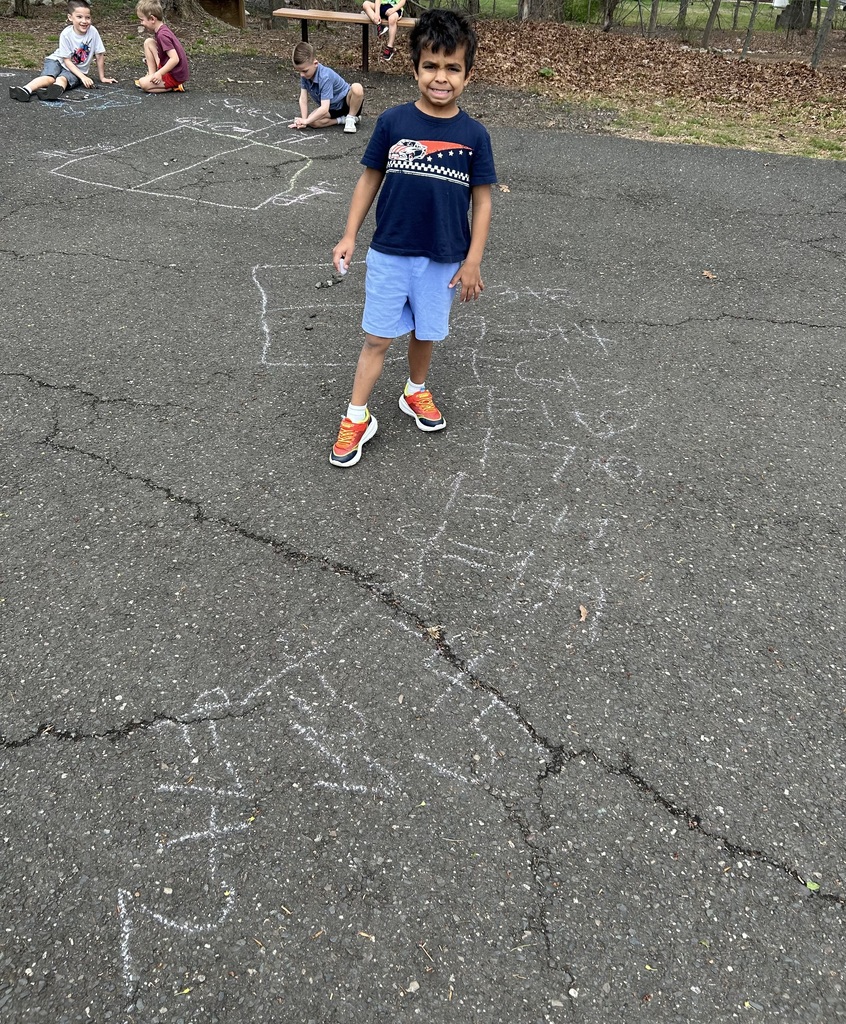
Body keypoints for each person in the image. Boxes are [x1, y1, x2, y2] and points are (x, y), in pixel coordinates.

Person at [329, 9, 496, 468]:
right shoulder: (393, 122)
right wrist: (349, 235)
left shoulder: (474, 135)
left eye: (452, 68)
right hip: (390, 253)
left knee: (427, 332)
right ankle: (357, 415)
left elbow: (481, 201)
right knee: (377, 338)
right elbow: (369, 180)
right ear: (415, 67)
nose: (440, 77)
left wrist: (473, 259)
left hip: (444, 259)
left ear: (468, 73)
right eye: (430, 66)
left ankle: (414, 391)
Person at [8, 0, 116, 103]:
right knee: (49, 78)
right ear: (70, 17)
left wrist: (102, 77)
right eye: (79, 17)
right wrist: (83, 77)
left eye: (87, 17)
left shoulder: (93, 32)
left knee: (63, 79)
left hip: (76, 69)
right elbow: (66, 60)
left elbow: (99, 55)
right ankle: (26, 90)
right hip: (57, 60)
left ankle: (51, 92)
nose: (84, 21)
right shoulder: (66, 34)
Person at [288, 42, 364, 135]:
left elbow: (324, 108)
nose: (302, 74)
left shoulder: (325, 76)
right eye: (299, 71)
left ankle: (351, 117)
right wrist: (304, 120)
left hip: (348, 103)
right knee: (312, 122)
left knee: (357, 87)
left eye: (304, 71)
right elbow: (303, 98)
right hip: (332, 109)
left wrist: (305, 121)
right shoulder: (305, 76)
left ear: (315, 63)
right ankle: (341, 120)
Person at [134, 0, 190, 94]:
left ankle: (173, 86)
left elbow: (175, 59)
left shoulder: (162, 35)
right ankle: (152, 76)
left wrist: (159, 73)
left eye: (142, 20)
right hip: (167, 66)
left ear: (152, 19)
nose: (141, 23)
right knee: (148, 42)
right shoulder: (161, 29)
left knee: (143, 84)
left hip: (174, 75)